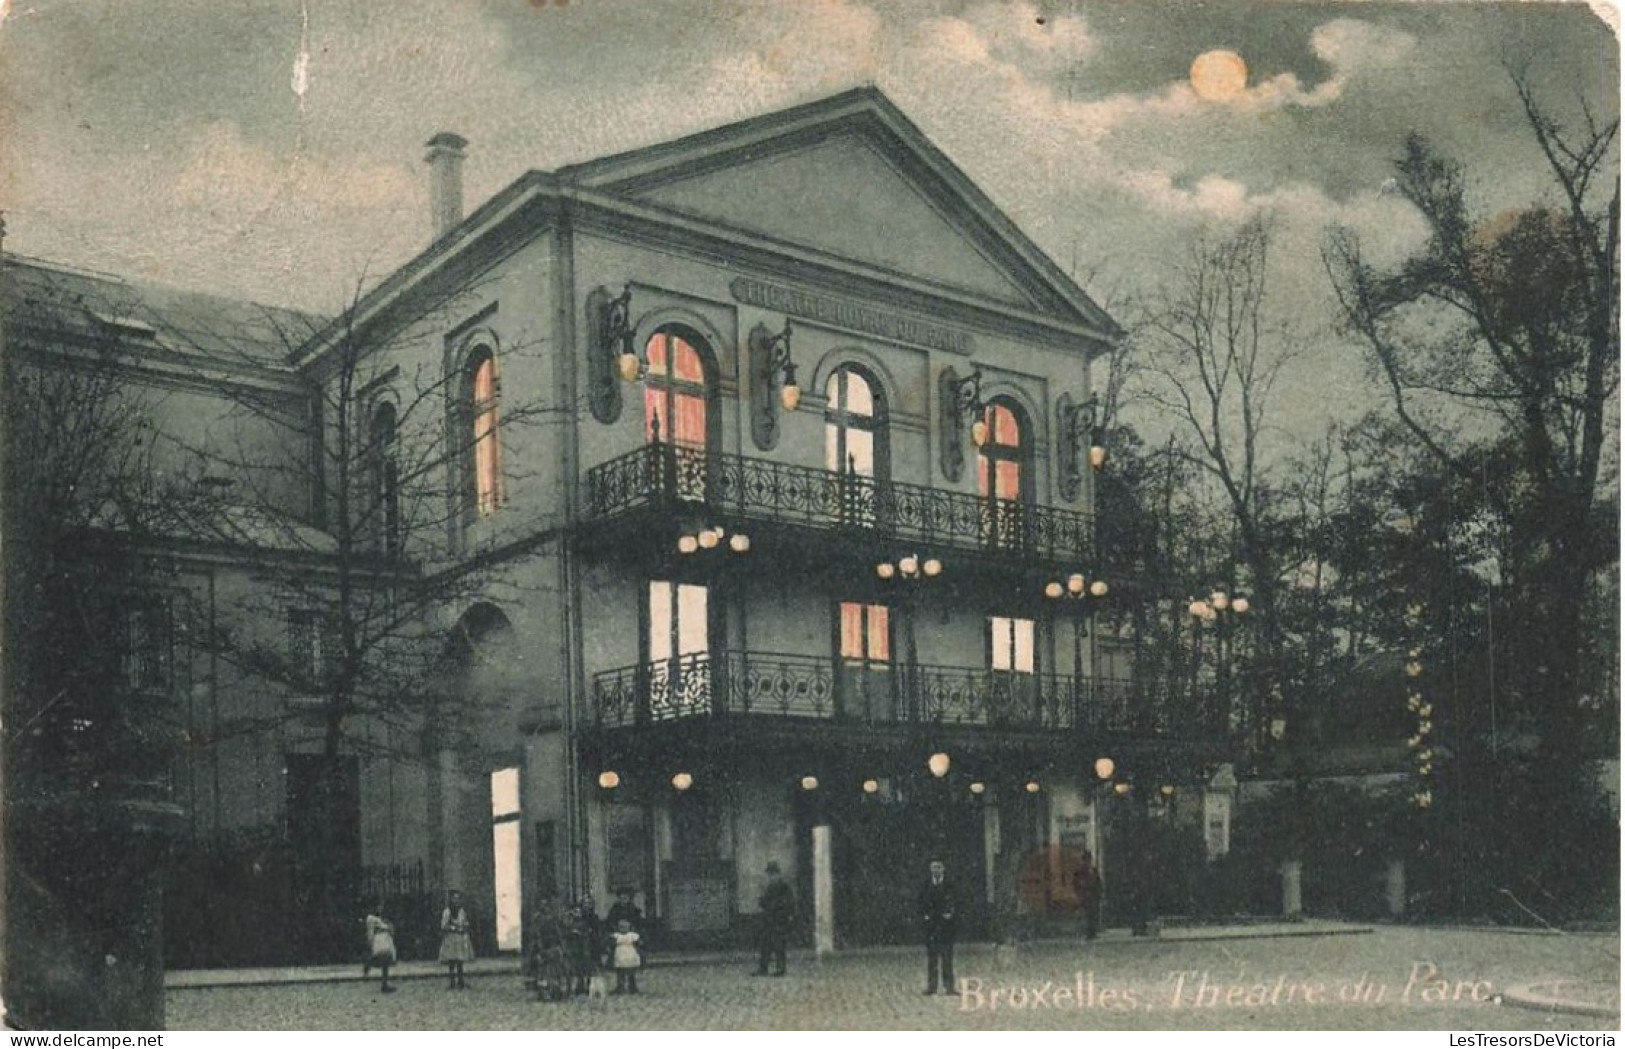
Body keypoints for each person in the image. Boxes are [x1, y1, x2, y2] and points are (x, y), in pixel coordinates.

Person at [918, 859, 957, 995]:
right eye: (934, 867)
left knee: (947, 958)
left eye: (939, 867)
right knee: (932, 958)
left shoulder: (950, 885)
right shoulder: (925, 885)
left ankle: (949, 986)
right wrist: (925, 916)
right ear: (930, 869)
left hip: (946, 927)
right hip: (932, 927)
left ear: (943, 869)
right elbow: (920, 902)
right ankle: (932, 986)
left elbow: (956, 902)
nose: (936, 870)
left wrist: (951, 914)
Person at [755, 861, 794, 977]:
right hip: (769, 921)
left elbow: (789, 903)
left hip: (779, 921)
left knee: (779, 945)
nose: (771, 877)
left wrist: (783, 912)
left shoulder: (784, 887)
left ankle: (780, 969)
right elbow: (764, 903)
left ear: (778, 874)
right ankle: (763, 968)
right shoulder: (770, 888)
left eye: (773, 874)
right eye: (770, 875)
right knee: (765, 944)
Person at [564, 894, 601, 995]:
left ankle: (590, 987)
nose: (587, 906)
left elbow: (596, 932)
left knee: (589, 967)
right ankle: (578, 986)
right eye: (585, 903)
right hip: (577, 946)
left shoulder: (594, 917)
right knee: (578, 967)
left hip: (589, 945)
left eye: (589, 903)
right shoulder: (575, 919)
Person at [439, 889, 475, 990]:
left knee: (460, 961)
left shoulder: (462, 911)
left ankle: (461, 981)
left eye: (458, 899)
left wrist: (464, 926)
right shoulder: (447, 912)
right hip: (451, 938)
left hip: (459, 938)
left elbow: (465, 922)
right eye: (454, 899)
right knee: (451, 961)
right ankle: (452, 982)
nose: (456, 901)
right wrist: (453, 927)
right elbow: (443, 925)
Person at [363, 899, 397, 994]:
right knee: (382, 956)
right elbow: (370, 932)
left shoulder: (381, 919)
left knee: (385, 962)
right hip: (379, 940)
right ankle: (368, 964)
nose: (380, 908)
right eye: (378, 906)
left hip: (385, 939)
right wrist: (370, 942)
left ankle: (384, 984)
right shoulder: (371, 918)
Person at [1074, 850, 1103, 941]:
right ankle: (1088, 932)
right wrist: (1081, 893)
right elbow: (1077, 883)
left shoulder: (1093, 870)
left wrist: (1099, 893)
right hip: (1086, 896)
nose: (1088, 862)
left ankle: (1093, 932)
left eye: (1089, 860)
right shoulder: (1080, 872)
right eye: (1086, 860)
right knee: (1087, 915)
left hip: (1093, 896)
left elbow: (1098, 883)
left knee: (1093, 914)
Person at [610, 918, 642, 994]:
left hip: (630, 954)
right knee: (620, 972)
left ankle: (632, 987)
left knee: (631, 972)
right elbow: (611, 944)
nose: (623, 929)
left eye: (625, 927)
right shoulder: (617, 936)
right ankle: (620, 987)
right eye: (621, 927)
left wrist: (638, 947)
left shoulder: (632, 935)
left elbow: (639, 943)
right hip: (620, 954)